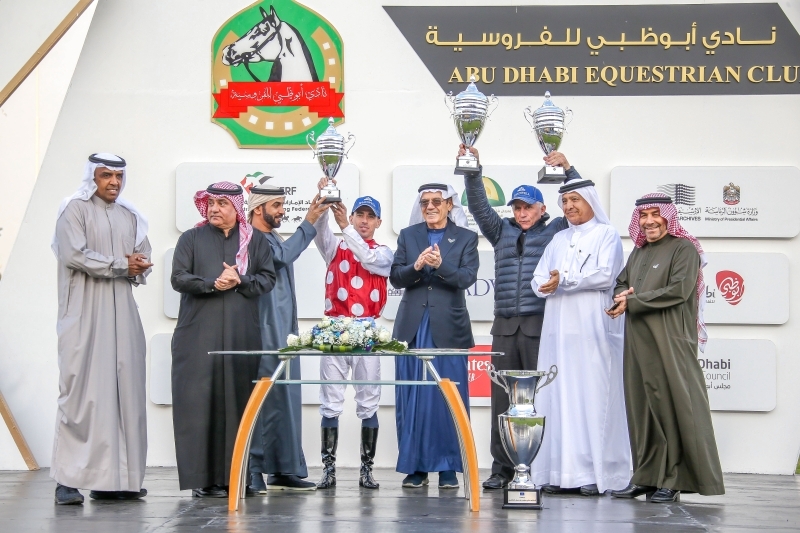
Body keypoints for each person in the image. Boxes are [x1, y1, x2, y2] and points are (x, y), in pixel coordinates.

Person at [459, 144, 577, 490]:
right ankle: (502, 469)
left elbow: (580, 204)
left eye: (528, 207)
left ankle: (541, 468)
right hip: (506, 326)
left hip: (541, 325)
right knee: (502, 400)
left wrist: (568, 171)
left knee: (540, 399)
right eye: (517, 207)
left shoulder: (557, 230)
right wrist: (473, 169)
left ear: (543, 209)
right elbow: (478, 205)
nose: (522, 213)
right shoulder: (501, 231)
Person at [608, 194, 725, 503]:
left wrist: (632, 300)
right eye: (643, 215)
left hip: (671, 339)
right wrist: (622, 295)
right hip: (638, 339)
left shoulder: (684, 248)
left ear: (667, 216)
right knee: (642, 408)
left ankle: (673, 479)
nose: (648, 221)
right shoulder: (639, 251)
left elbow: (679, 290)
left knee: (672, 408)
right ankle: (645, 477)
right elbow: (621, 282)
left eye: (654, 214)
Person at [51, 153, 152, 505]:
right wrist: (121, 264)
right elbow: (74, 255)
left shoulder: (130, 215)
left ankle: (116, 480)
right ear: (91, 176)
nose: (114, 182)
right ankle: (67, 480)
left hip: (123, 313)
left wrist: (138, 265)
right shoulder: (74, 209)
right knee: (81, 393)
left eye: (118, 176)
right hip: (84, 312)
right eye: (106, 175)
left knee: (125, 393)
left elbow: (142, 254)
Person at [171, 182, 277, 498]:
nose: (214, 209)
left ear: (236, 208)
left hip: (240, 336)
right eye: (211, 203)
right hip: (197, 337)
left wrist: (239, 279)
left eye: (222, 204)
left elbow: (267, 279)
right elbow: (179, 277)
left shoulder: (255, 240)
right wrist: (213, 283)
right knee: (199, 404)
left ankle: (236, 478)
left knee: (237, 403)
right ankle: (203, 481)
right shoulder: (191, 239)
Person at [530, 176, 630, 496]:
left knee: (590, 395)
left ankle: (592, 473)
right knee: (557, 394)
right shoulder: (558, 239)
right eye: (565, 201)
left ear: (590, 201)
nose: (569, 206)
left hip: (591, 328)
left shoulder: (607, 234)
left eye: (575, 199)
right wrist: (545, 284)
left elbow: (605, 275)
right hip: (558, 330)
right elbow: (539, 276)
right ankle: (560, 473)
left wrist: (565, 280)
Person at [390, 183, 479, 489]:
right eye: (425, 202)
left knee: (447, 398)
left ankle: (448, 467)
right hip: (412, 329)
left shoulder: (466, 238)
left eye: (437, 201)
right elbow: (396, 277)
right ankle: (415, 467)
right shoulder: (408, 235)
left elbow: (466, 278)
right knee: (412, 398)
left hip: (448, 329)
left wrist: (441, 265)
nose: (430, 206)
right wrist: (415, 267)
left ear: (449, 205)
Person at [312, 178, 393, 490]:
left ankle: (366, 470)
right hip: (335, 329)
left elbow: (367, 259)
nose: (364, 220)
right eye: (360, 214)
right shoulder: (336, 246)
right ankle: (328, 470)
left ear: (378, 222)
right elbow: (320, 230)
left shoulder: (384, 252)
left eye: (370, 216)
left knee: (368, 402)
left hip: (367, 331)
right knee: (330, 402)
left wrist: (345, 226)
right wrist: (324, 199)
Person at [245, 184, 328, 492]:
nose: (282, 211)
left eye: (282, 204)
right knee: (264, 397)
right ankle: (253, 470)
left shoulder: (271, 236)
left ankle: (283, 468)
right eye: (277, 205)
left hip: (283, 329)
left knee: (285, 397)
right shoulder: (251, 237)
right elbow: (280, 257)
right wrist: (309, 221)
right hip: (264, 329)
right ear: (258, 209)